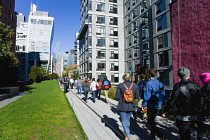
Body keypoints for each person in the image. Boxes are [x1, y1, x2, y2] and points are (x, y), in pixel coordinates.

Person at [162, 67, 201, 140]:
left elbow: (172, 101)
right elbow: (200, 102)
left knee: (184, 136)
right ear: (188, 75)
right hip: (194, 114)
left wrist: (165, 110)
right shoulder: (196, 86)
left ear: (179, 76)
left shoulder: (178, 86)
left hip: (182, 115)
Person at [142, 68, 166, 140]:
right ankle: (152, 135)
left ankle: (160, 134)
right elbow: (163, 94)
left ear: (149, 75)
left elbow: (147, 96)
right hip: (158, 104)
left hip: (151, 104)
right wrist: (164, 103)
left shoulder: (149, 83)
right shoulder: (160, 83)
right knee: (152, 120)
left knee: (150, 120)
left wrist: (144, 105)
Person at [116, 73, 139, 140]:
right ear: (130, 78)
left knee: (123, 121)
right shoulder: (135, 85)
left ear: (123, 78)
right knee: (127, 120)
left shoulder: (120, 85)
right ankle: (126, 135)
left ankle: (129, 137)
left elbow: (117, 97)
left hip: (122, 105)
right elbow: (137, 96)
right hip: (131, 105)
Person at [197, 73, 210, 140]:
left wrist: (198, 117)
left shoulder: (201, 91)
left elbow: (200, 105)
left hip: (205, 115)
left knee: (201, 134)